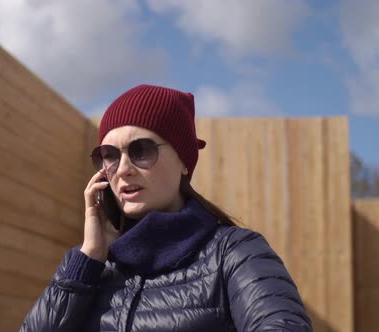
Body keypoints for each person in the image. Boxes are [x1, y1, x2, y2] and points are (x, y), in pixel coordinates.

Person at [19, 84, 311, 331]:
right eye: (109, 155)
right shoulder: (88, 264)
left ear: (184, 161)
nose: (122, 170)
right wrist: (88, 260)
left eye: (141, 150)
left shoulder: (235, 253)